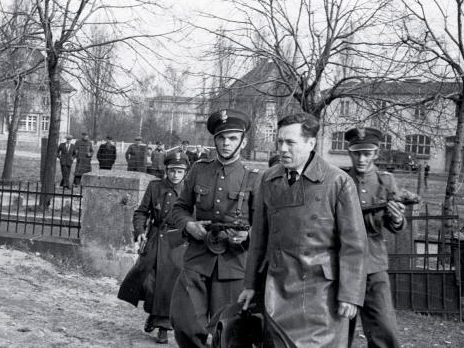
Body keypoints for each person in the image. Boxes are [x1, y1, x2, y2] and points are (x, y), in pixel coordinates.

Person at [238, 113, 368, 347]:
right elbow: (259, 238)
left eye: (290, 143)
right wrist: (250, 285)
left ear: (310, 143)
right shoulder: (269, 179)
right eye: (280, 142)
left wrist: (350, 295)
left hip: (320, 297)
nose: (283, 149)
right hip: (276, 290)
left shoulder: (337, 182)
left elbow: (354, 244)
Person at [168, 109, 260, 348]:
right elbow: (178, 208)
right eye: (221, 137)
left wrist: (248, 234)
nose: (226, 143)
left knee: (227, 332)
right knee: (184, 322)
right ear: (214, 140)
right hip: (198, 258)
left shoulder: (254, 177)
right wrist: (189, 224)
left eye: (232, 137)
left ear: (243, 140)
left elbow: (264, 224)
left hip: (234, 264)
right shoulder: (200, 169)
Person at [118, 151, 191, 344]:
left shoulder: (189, 191)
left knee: (169, 284)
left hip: (177, 243)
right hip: (154, 239)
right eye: (172, 171)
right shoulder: (155, 187)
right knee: (147, 280)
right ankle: (153, 314)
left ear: (185, 172)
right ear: (166, 170)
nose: (176, 175)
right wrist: (140, 231)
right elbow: (141, 212)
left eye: (180, 171)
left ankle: (163, 327)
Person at [343, 127, 406, 348]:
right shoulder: (340, 180)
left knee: (384, 329)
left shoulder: (385, 182)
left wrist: (397, 219)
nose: (361, 159)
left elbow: (394, 224)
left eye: (367, 153)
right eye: (356, 153)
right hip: (342, 266)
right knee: (338, 331)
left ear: (376, 154)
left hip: (374, 264)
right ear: (349, 152)